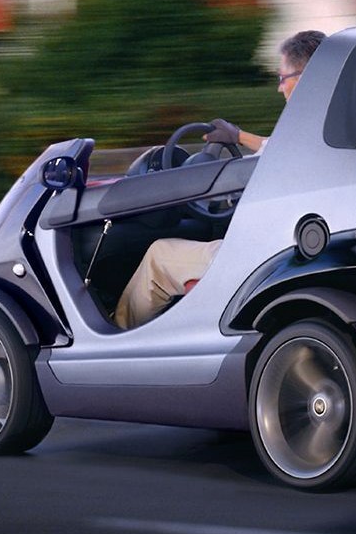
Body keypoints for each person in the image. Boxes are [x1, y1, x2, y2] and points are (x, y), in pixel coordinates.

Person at [112, 29, 325, 330]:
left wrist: (216, 182)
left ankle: (119, 341)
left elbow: (272, 161)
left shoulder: (303, 129)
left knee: (159, 255)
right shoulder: (324, 126)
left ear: (302, 78)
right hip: (289, 248)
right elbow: (275, 150)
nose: (280, 88)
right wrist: (237, 136)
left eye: (282, 78)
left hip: (262, 257)